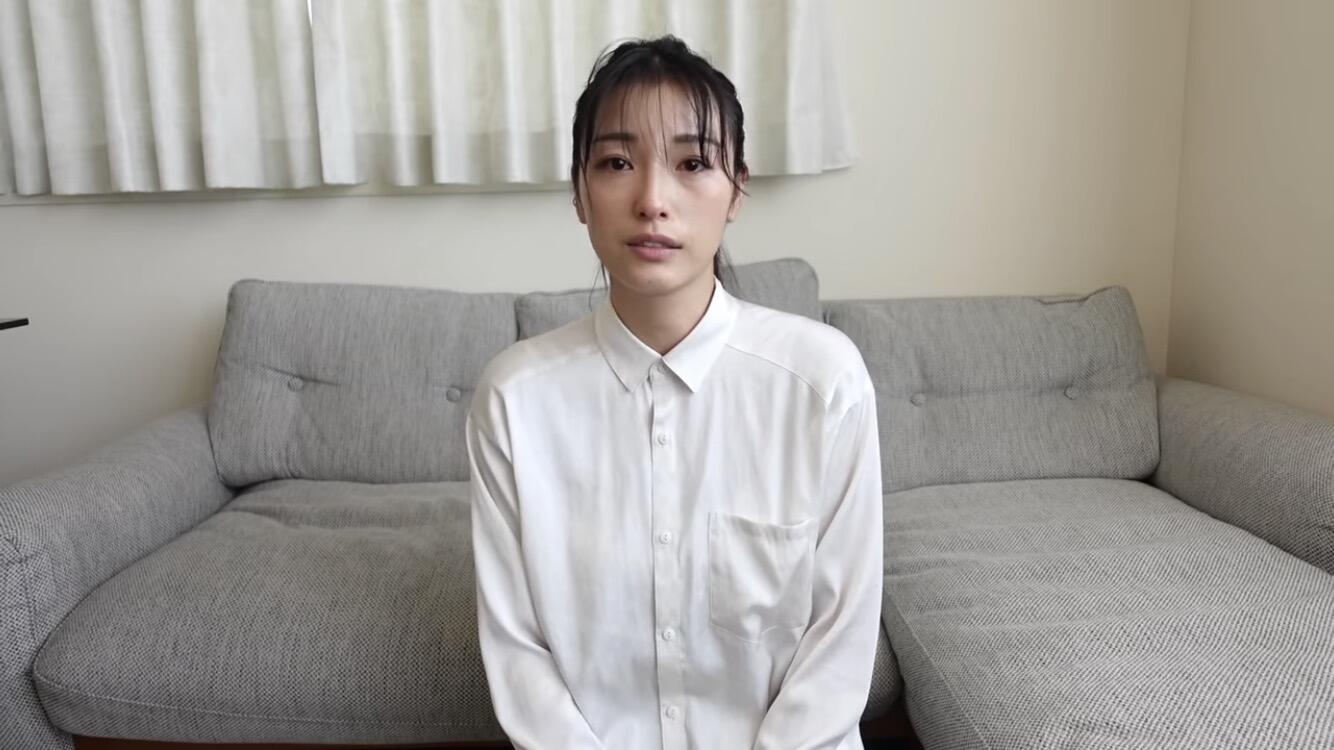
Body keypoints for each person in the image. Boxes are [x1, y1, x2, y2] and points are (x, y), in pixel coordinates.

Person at [466, 35, 883, 750]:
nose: (653, 201)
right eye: (617, 163)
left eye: (692, 163)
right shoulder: (514, 401)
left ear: (738, 190)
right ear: (578, 193)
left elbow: (838, 645)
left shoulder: (822, 382)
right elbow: (518, 653)